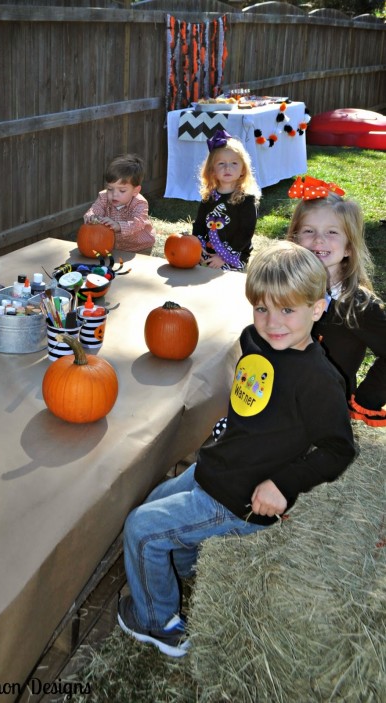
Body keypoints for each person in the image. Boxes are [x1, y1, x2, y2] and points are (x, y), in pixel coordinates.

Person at [117, 241, 355, 657]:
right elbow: (255, 403)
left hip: (239, 497)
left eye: (288, 310)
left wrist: (283, 484)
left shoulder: (319, 380)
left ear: (317, 310)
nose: (272, 322)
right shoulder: (255, 340)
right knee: (156, 501)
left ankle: (159, 623)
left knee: (141, 527)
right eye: (262, 308)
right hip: (218, 467)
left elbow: (339, 448)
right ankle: (186, 568)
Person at [286, 176, 386, 427]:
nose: (319, 240)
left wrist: (366, 399)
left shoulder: (360, 305)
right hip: (283, 394)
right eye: (309, 231)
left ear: (349, 247)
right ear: (295, 239)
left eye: (332, 232)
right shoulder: (287, 285)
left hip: (323, 408)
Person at [192, 129, 261, 271]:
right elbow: (199, 224)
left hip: (235, 253)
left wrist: (223, 257)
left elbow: (245, 233)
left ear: (243, 169)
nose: (227, 168)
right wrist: (197, 245)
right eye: (221, 164)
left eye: (234, 163)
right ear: (212, 171)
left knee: (223, 276)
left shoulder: (246, 199)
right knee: (194, 269)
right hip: (209, 250)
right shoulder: (209, 197)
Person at [83, 153, 156, 253]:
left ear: (135, 190)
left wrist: (119, 226)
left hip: (139, 247)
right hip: (113, 245)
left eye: (122, 190)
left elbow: (138, 223)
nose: (114, 195)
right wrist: (91, 217)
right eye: (110, 189)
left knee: (136, 268)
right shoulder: (104, 197)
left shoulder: (140, 203)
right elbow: (96, 208)